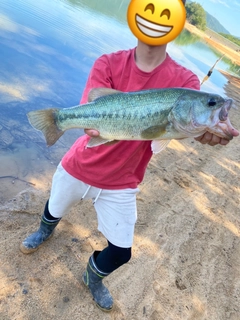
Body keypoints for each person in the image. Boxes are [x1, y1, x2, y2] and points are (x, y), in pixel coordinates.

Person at [20, 1, 234, 312]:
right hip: (80, 166)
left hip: (122, 181)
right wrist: (75, 123)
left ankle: (92, 277)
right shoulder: (107, 63)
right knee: (54, 208)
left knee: (121, 250)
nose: (156, 17)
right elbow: (92, 120)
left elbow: (184, 129)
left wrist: (206, 131)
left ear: (178, 19)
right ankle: (44, 230)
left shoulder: (185, 84)